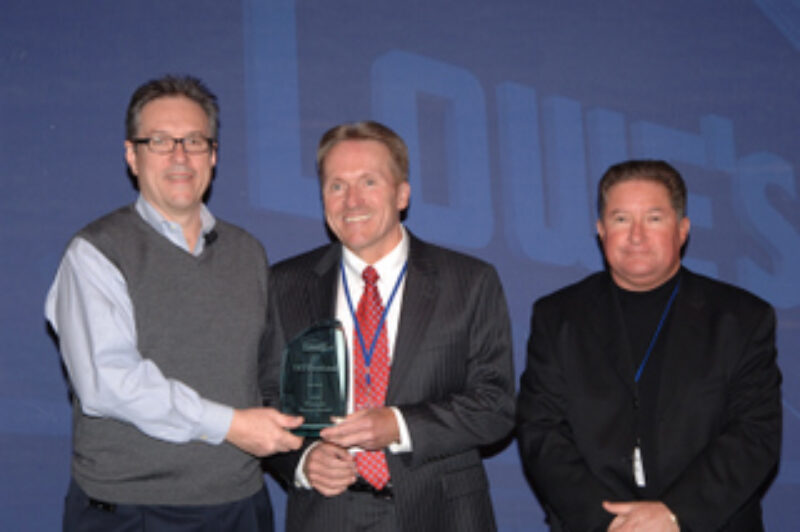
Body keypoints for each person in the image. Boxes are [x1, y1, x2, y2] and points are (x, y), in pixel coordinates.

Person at [45, 75, 304, 531]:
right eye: (160, 141)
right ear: (132, 155)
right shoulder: (95, 252)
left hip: (240, 503)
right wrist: (231, 426)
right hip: (129, 510)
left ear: (214, 154)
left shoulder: (248, 253)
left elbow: (267, 375)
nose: (180, 156)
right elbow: (108, 382)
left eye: (195, 141)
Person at [261, 121, 515, 531]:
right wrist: (304, 461)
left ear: (402, 194)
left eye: (369, 182)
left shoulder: (468, 282)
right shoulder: (285, 285)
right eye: (336, 186)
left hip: (442, 514)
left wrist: (398, 425)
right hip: (328, 514)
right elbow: (267, 400)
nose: (352, 201)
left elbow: (495, 406)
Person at [516, 159, 782, 531]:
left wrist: (674, 513)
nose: (636, 235)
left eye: (654, 219)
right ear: (600, 230)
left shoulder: (741, 318)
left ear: (683, 230)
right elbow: (540, 431)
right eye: (621, 219)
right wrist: (610, 522)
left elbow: (755, 433)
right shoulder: (557, 316)